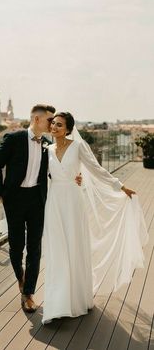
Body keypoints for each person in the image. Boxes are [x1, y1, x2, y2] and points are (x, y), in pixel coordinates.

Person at [42, 112, 148, 324]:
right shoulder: (48, 150)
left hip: (73, 202)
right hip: (54, 203)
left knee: (74, 248)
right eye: (53, 123)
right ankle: (57, 304)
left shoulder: (78, 147)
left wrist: (121, 186)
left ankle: (77, 299)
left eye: (59, 125)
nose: (54, 127)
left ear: (69, 129)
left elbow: (97, 170)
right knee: (58, 251)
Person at [0, 105, 82, 313]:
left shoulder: (48, 145)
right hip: (14, 199)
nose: (52, 124)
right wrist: (0, 193)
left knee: (35, 247)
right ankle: (20, 278)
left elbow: (56, 171)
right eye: (50, 120)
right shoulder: (14, 139)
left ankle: (28, 293)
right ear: (36, 118)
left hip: (38, 200)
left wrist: (75, 177)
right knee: (16, 246)